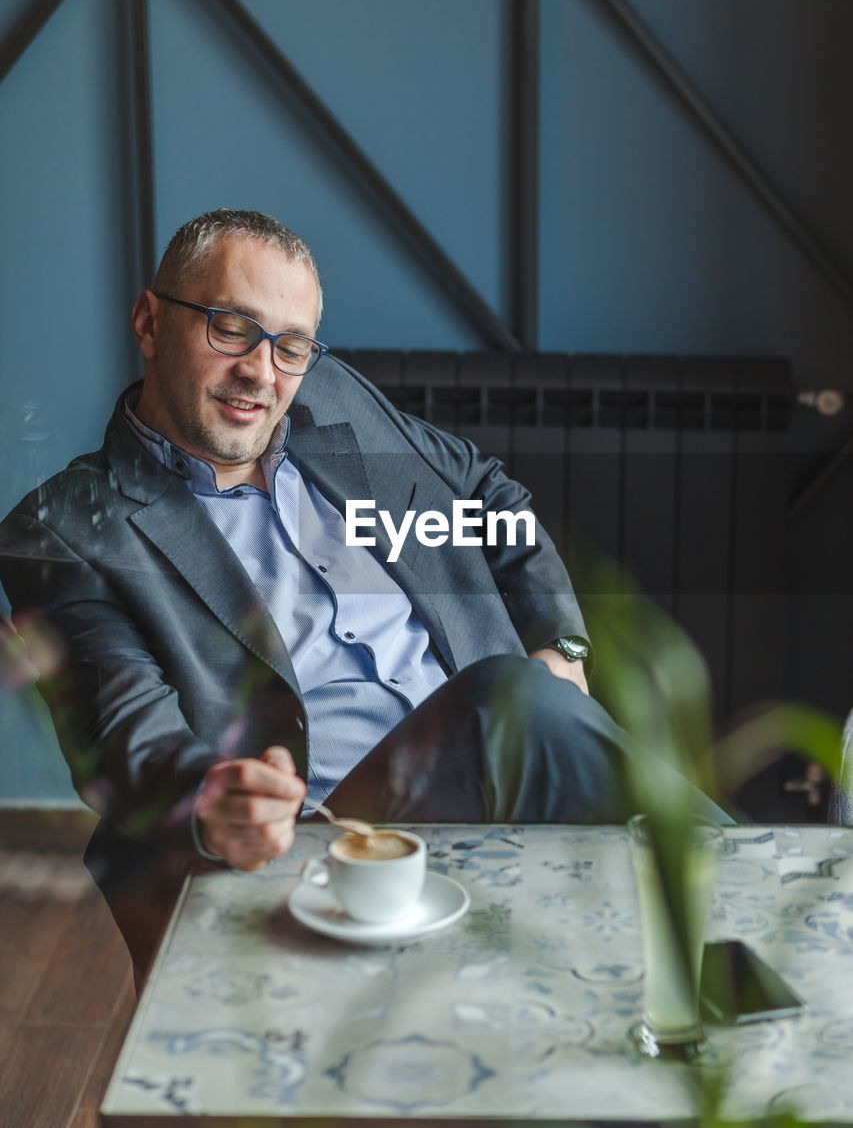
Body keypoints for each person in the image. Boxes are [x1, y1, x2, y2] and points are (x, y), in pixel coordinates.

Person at [0, 209, 727, 976]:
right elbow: (128, 739)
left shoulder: (330, 398)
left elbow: (486, 493)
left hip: (516, 766)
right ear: (150, 322)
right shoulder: (67, 529)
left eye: (290, 345)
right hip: (326, 834)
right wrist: (217, 802)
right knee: (508, 708)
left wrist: (562, 642)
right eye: (230, 329)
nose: (262, 371)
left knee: (634, 937)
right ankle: (789, 892)